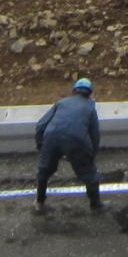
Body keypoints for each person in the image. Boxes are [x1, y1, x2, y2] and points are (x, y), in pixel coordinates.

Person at [34, 76, 104, 215]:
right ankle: (96, 206)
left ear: (74, 91)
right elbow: (95, 136)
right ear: (90, 93)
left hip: (51, 136)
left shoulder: (61, 103)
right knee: (90, 175)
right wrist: (91, 157)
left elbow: (41, 125)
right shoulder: (90, 108)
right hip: (76, 140)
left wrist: (41, 145)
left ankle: (39, 203)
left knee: (44, 170)